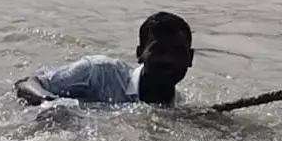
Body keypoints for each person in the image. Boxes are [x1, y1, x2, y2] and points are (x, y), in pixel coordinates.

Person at [14, 11, 194, 107]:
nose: (169, 60)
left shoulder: (178, 104)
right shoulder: (98, 72)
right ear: (139, 54)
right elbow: (27, 83)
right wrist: (50, 103)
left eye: (178, 52)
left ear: (191, 58)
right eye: (158, 51)